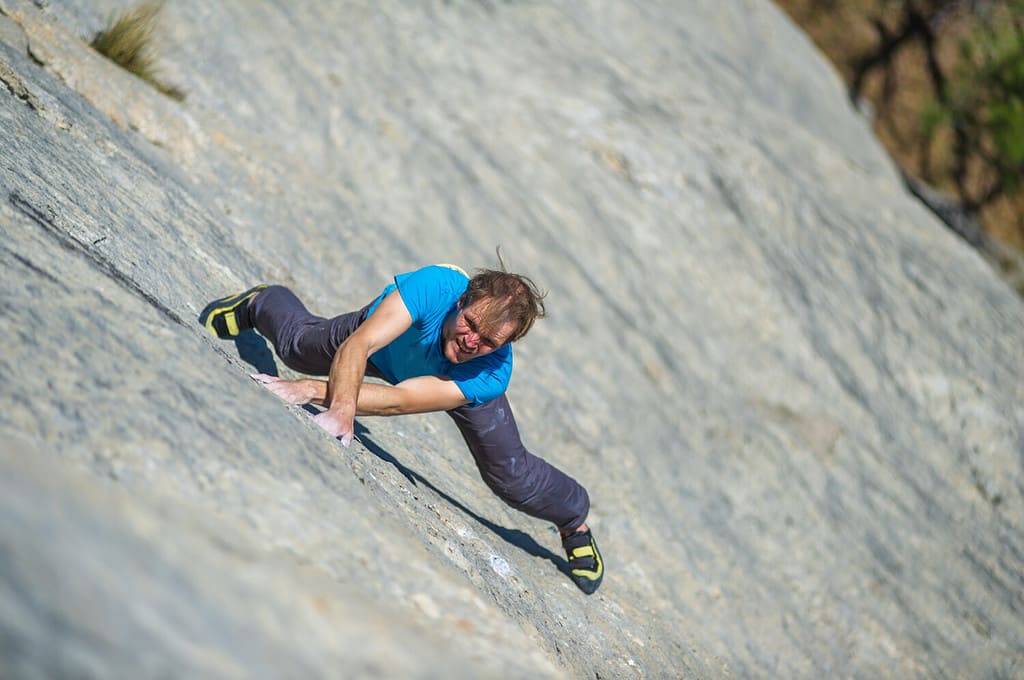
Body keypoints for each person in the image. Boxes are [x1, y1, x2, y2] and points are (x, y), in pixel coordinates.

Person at [199, 262, 603, 594]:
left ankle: (574, 518)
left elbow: (401, 400)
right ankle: (261, 301)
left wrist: (310, 392)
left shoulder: (491, 372)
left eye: (489, 340)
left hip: (446, 383)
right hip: (382, 344)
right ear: (461, 301)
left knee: (511, 477)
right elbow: (358, 346)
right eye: (470, 323)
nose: (471, 341)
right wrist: (339, 406)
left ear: (505, 345)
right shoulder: (434, 286)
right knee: (296, 349)